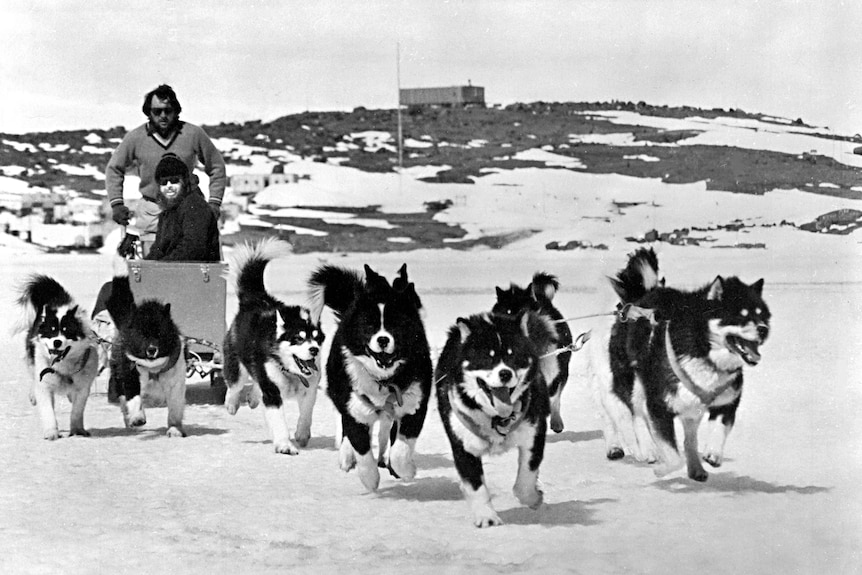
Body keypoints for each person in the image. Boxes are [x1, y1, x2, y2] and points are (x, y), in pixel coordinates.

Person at [105, 84, 226, 255]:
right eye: (157, 111)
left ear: (176, 111)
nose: (163, 116)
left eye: (168, 111)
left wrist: (214, 203)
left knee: (191, 256)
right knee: (154, 267)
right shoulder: (136, 138)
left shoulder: (193, 134)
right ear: (148, 113)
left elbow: (216, 166)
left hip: (188, 210)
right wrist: (117, 204)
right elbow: (114, 169)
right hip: (152, 210)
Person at [146, 153, 220, 261]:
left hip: (196, 273)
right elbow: (158, 250)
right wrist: (146, 265)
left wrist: (162, 266)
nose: (169, 186)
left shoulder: (195, 206)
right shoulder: (167, 212)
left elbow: (193, 248)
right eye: (164, 182)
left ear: (184, 182)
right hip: (174, 271)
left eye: (174, 180)